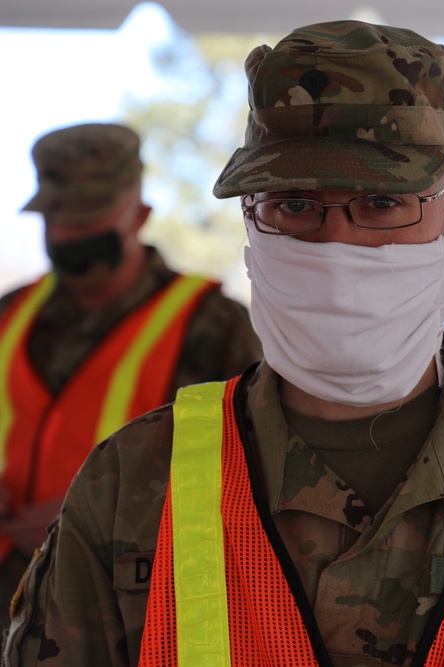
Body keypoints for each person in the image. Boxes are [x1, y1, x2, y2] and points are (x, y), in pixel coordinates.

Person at [3, 21, 444, 667]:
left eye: (382, 203)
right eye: (295, 205)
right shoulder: (130, 482)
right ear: (251, 225)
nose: (337, 243)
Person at [0, 122, 262, 629]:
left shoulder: (211, 324)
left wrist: (99, 512)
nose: (67, 235)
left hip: (125, 605)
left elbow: (248, 472)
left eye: (88, 220)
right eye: (56, 218)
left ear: (139, 214)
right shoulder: (11, 314)